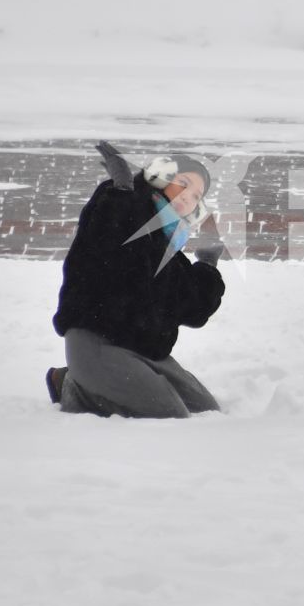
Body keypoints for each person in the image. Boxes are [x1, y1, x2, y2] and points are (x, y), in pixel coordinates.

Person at [46, 144, 226, 418]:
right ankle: (76, 385)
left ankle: (77, 380)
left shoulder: (168, 248)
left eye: (196, 195)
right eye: (183, 184)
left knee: (206, 409)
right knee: (169, 414)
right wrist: (120, 194)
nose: (187, 197)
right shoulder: (120, 208)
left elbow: (194, 311)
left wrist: (207, 262)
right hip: (97, 342)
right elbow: (105, 245)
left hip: (143, 352)